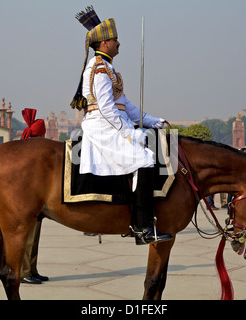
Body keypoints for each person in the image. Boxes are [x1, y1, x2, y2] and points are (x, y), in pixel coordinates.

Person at [71, 6, 172, 245]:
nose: (119, 43)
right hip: (102, 127)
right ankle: (142, 227)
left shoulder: (109, 68)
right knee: (145, 159)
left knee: (147, 148)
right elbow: (106, 108)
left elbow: (126, 106)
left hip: (113, 123)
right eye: (115, 39)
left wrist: (153, 120)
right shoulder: (97, 68)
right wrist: (129, 133)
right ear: (104, 42)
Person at [20, 108, 49, 284]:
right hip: (28, 200)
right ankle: (24, 272)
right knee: (28, 237)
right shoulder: (30, 152)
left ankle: (32, 269)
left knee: (34, 237)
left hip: (37, 200)